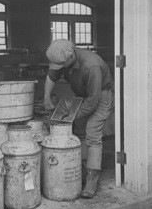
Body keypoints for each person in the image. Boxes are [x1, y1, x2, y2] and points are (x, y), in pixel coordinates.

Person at [44, 39, 114, 198]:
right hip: (83, 95)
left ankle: (92, 178)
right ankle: (80, 168)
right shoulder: (61, 58)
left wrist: (72, 116)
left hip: (100, 95)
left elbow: (93, 100)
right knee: (79, 131)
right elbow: (51, 76)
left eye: (61, 66)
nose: (59, 68)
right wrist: (46, 96)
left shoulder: (92, 65)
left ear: (71, 56)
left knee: (92, 132)